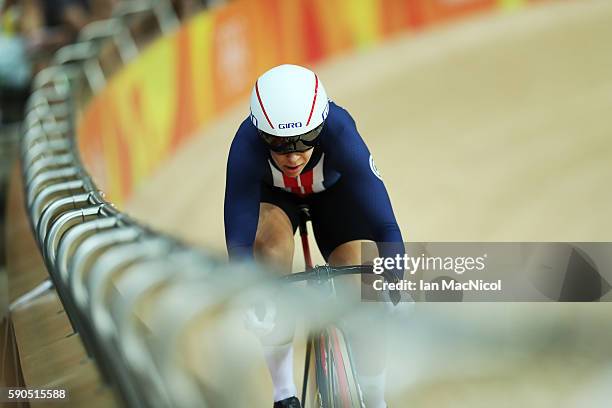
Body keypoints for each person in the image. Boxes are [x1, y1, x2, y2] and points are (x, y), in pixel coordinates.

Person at [224, 64, 404, 408]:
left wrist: (396, 278)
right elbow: (239, 241)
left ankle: (375, 399)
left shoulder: (340, 129)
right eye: (278, 143)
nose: (292, 155)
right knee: (269, 252)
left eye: (305, 140)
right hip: (275, 199)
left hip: (333, 197)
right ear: (261, 134)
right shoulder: (245, 144)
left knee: (361, 286)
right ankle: (283, 394)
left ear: (321, 127)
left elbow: (385, 226)